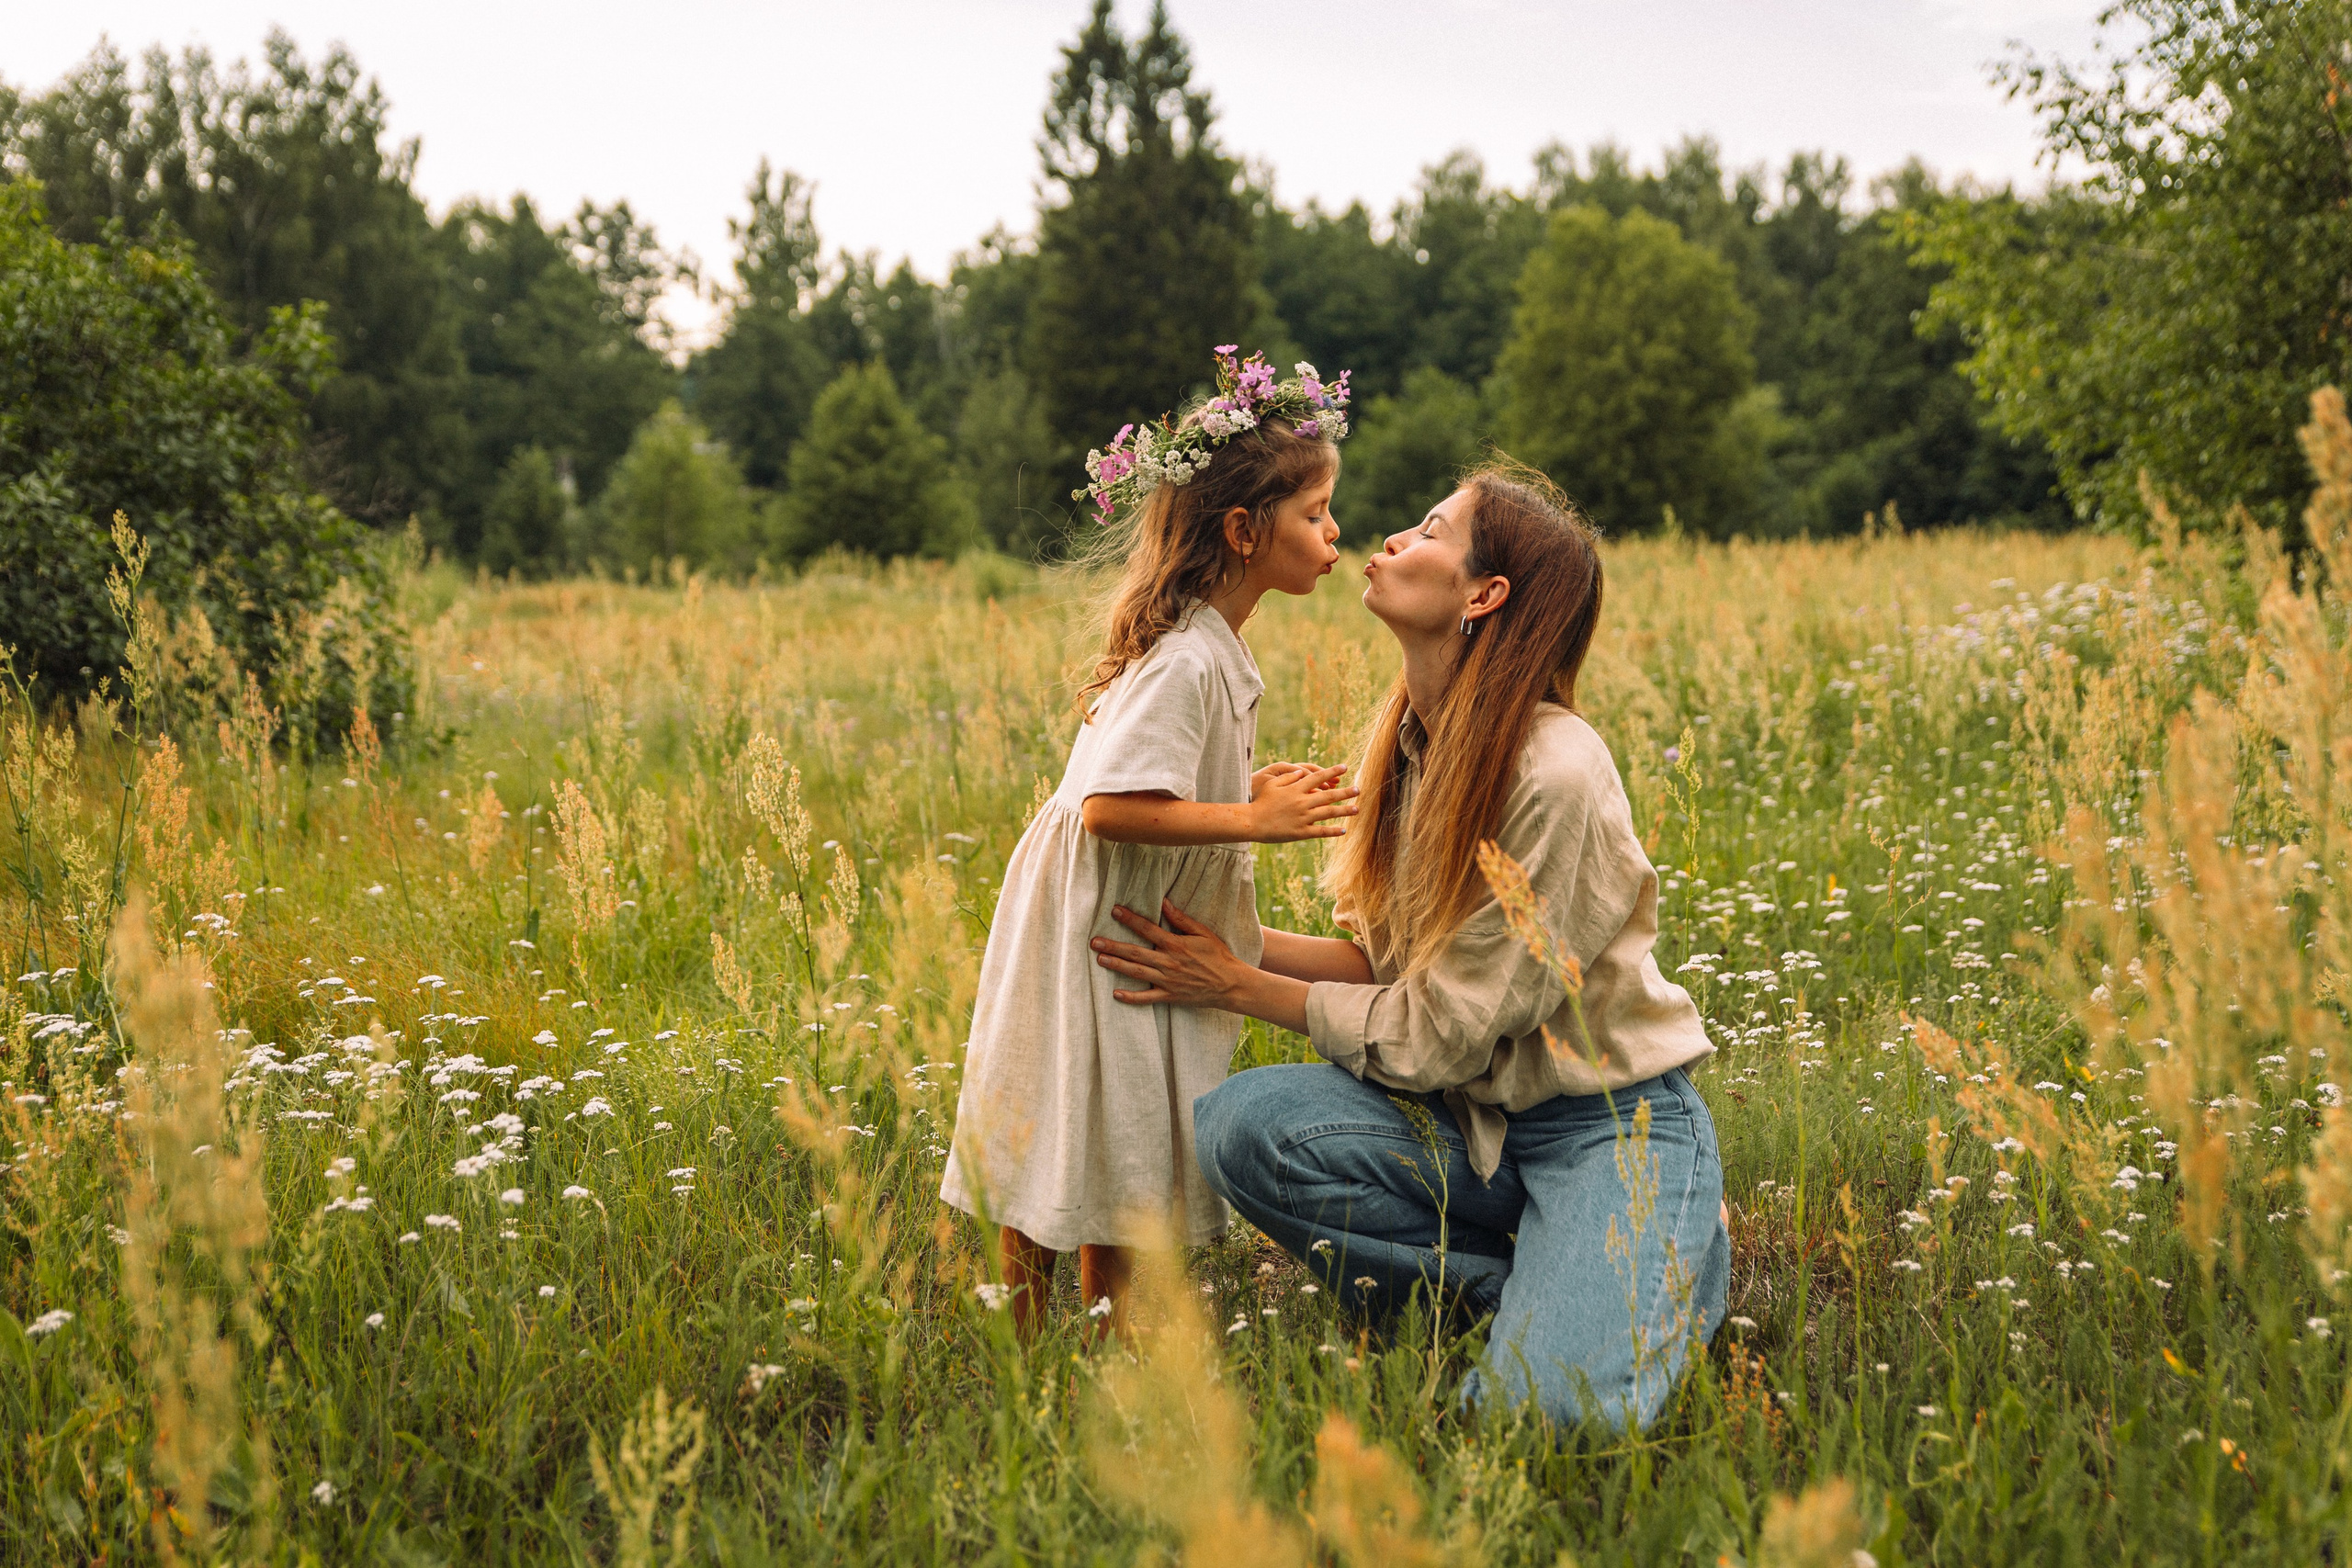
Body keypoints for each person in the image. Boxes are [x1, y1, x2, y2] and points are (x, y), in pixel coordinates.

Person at [1088, 464, 1729, 1428]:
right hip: (1468, 1128)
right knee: (1247, 1126)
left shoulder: (1553, 773)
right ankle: (1539, 1291)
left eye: (1431, 531)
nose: (1388, 540)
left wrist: (1237, 982)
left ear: (1483, 595)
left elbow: (1438, 1035)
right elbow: (1390, 968)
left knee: (1540, 1423)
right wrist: (1231, 941)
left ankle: (1658, 1264)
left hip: (1610, 1129)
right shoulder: (1418, 741)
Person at [940, 348, 1360, 1337]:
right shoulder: (1184, 658)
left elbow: (1152, 787)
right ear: (1244, 531)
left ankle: (1101, 1326)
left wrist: (1237, 789)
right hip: (1099, 914)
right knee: (1079, 1106)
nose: (1335, 532)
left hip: (1115, 907)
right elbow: (1107, 809)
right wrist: (1251, 819)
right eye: (1315, 514)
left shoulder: (1213, 644)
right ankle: (1039, 1331)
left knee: (1110, 1118)